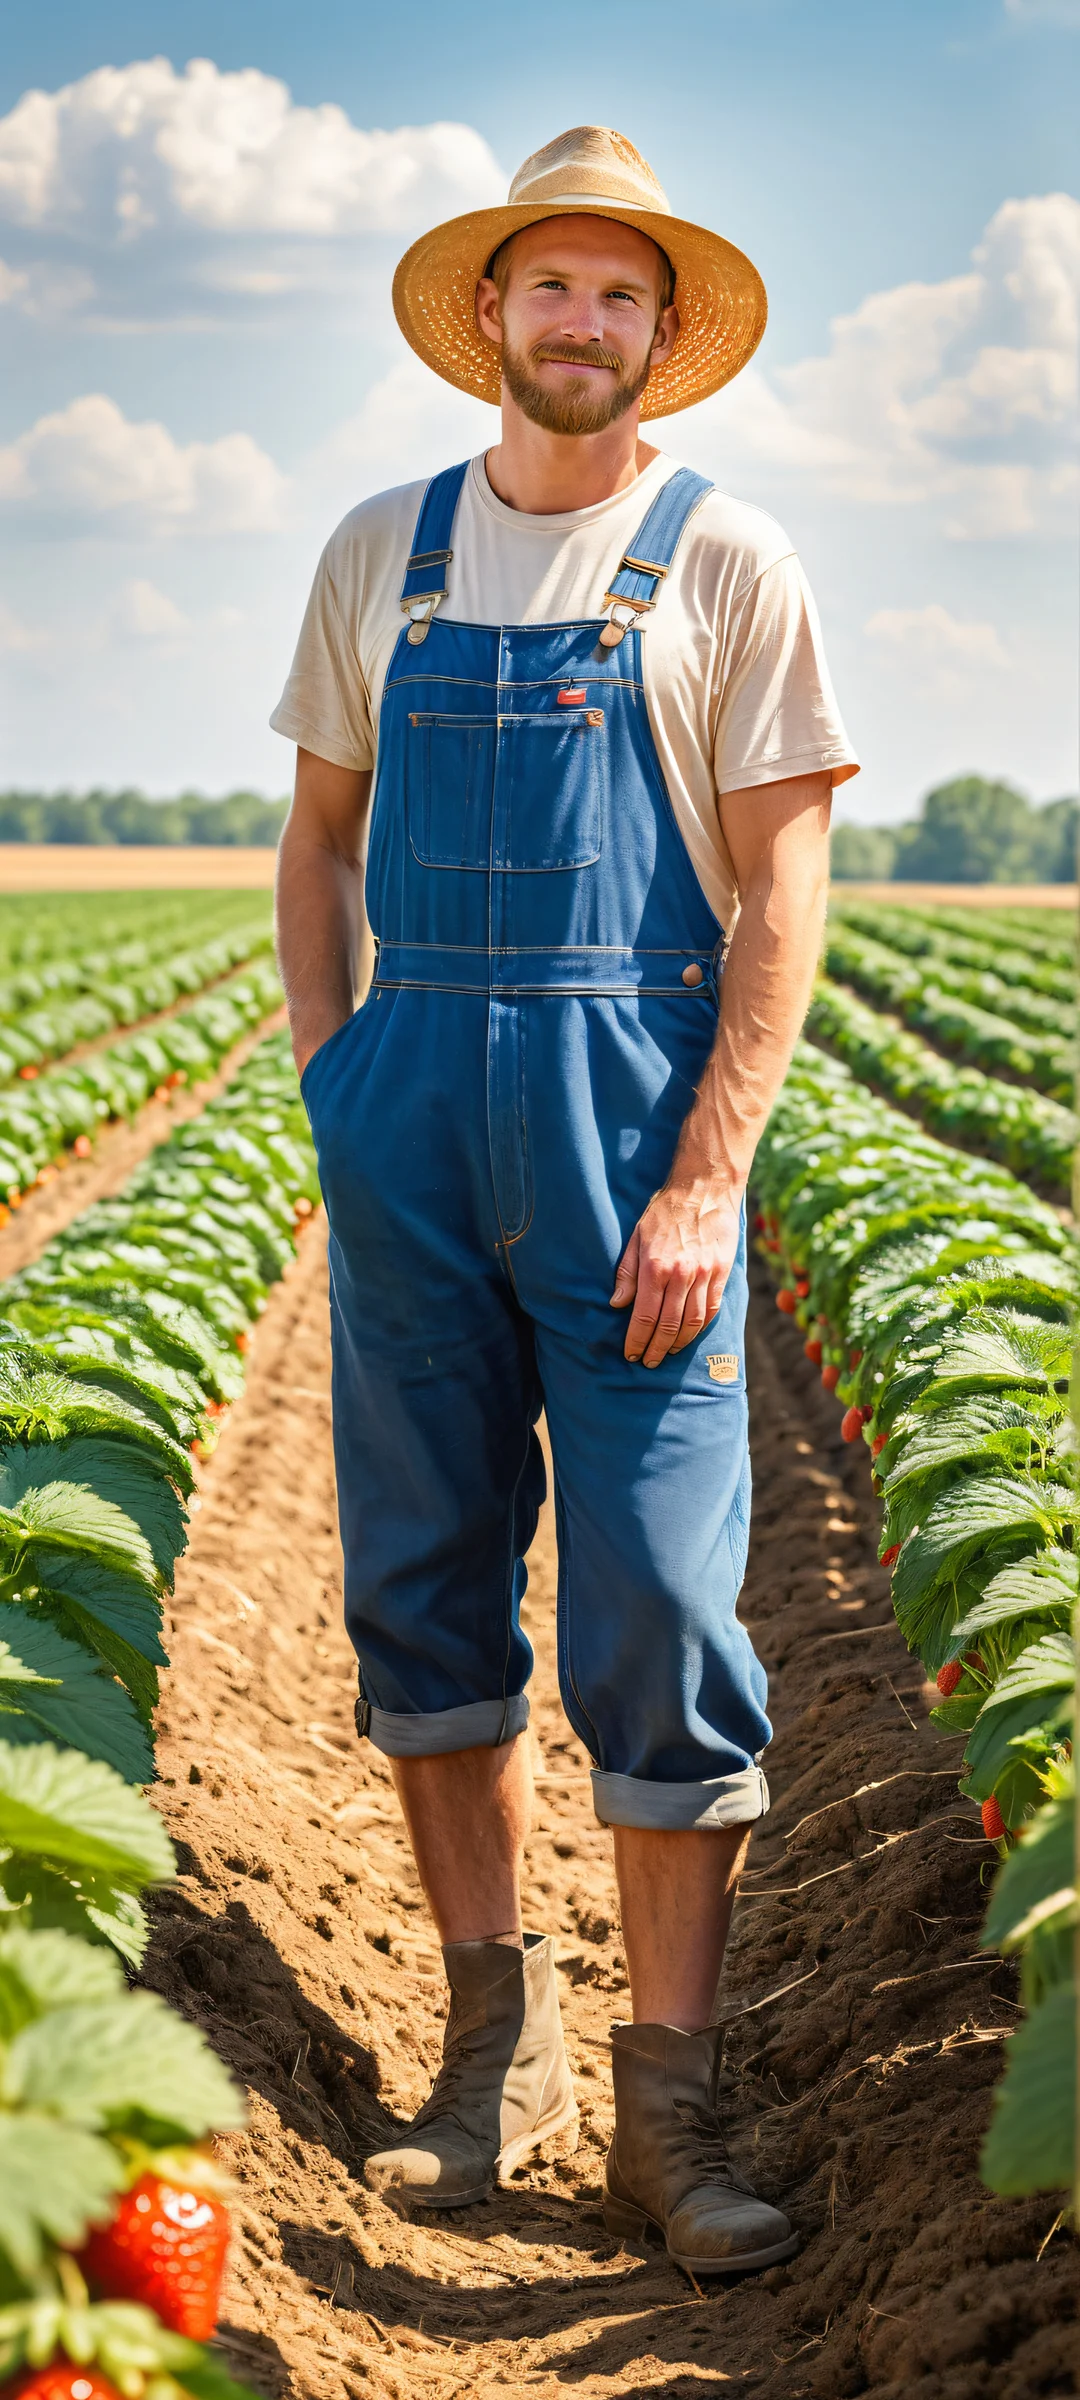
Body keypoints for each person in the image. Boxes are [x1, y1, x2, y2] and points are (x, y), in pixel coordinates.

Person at [271, 123, 858, 2277]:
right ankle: (488, 2060)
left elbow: (785, 889)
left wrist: (712, 1174)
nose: (584, 322)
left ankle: (669, 2114)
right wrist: (339, 1081)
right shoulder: (385, 550)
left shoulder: (727, 559)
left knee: (667, 1616)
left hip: (637, 1150)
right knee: (427, 1595)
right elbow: (318, 837)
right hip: (413, 1131)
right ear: (493, 312)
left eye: (623, 293)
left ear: (662, 331)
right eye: (554, 286)